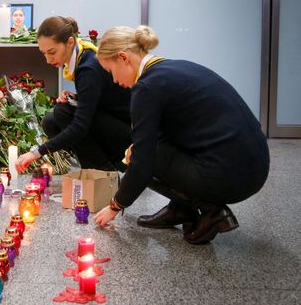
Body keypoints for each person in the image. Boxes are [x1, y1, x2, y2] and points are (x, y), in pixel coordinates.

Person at [92, 25, 270, 244]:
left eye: (111, 71)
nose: (114, 81)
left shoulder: (146, 88)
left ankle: (212, 212)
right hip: (255, 167)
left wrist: (115, 205)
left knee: (139, 157)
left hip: (228, 176)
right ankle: (180, 210)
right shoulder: (175, 67)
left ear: (123, 58)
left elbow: (143, 163)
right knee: (146, 149)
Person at [15, 16, 131, 173]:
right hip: (113, 124)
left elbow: (81, 126)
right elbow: (100, 98)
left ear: (70, 42)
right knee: (51, 121)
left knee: (63, 112)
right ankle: (101, 163)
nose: (48, 60)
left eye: (52, 52)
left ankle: (103, 171)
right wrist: (77, 98)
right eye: (44, 53)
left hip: (128, 136)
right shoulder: (84, 54)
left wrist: (37, 152)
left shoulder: (88, 68)